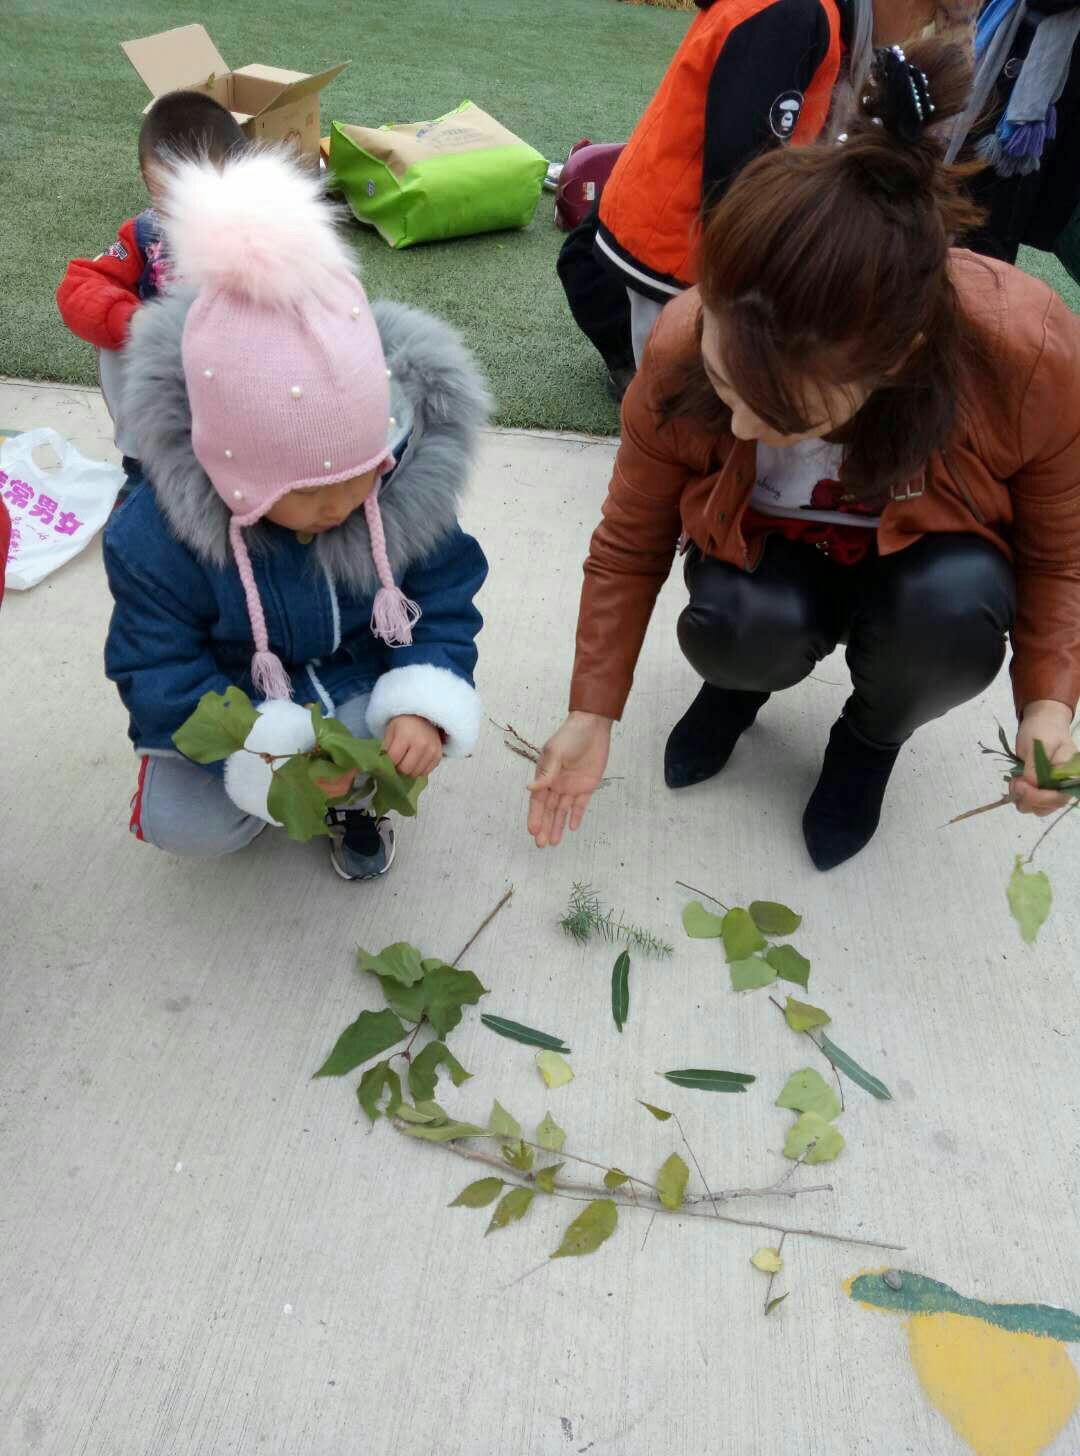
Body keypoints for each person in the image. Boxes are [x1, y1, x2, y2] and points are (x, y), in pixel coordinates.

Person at [528, 39, 1080, 872]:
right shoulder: (682, 341)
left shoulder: (1027, 353)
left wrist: (1047, 707)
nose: (743, 428)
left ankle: (870, 741)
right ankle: (739, 686)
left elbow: (1061, 558)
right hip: (773, 561)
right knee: (732, 626)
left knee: (950, 622)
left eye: (784, 412)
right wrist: (591, 711)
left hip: (927, 570)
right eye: (725, 382)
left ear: (896, 360)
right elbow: (629, 540)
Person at [104, 148, 489, 880]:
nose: (340, 506)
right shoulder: (153, 537)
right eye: (308, 494)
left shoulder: (401, 485)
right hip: (239, 695)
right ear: (231, 471)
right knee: (184, 820)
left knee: (391, 742)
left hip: (353, 672)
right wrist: (262, 756)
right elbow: (157, 669)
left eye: (359, 476)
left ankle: (351, 798)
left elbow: (442, 597)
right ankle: (273, 798)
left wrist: (423, 696)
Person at [56, 90, 245, 486]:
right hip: (164, 392)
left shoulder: (266, 238)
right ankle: (141, 470)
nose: (184, 211)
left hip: (238, 394)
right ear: (147, 181)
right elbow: (79, 287)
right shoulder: (148, 234)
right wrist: (134, 322)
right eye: (166, 196)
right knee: (117, 339)